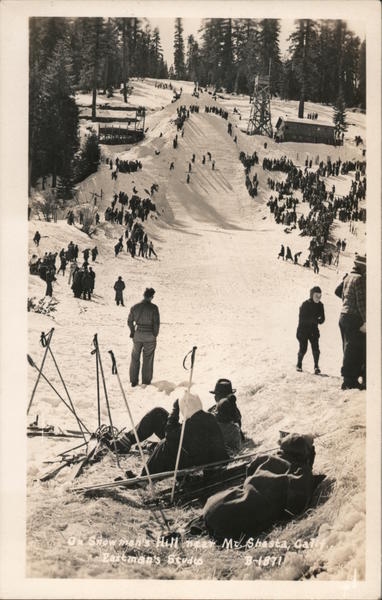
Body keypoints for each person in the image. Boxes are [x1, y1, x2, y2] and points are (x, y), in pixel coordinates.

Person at [203, 433, 316, 541]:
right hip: (233, 522)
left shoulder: (265, 457)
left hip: (214, 506)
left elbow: (249, 473)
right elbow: (298, 505)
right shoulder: (300, 471)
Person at [112, 391, 229, 475]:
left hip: (195, 461)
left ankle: (145, 478)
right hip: (196, 453)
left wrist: (174, 412)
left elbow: (170, 436)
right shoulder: (208, 417)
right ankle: (127, 441)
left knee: (164, 445)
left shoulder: (191, 425)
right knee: (158, 413)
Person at [335, 254, 366, 390]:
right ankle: (349, 380)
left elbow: (340, 293)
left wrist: (347, 304)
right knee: (354, 349)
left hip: (343, 316)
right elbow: (361, 303)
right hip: (353, 318)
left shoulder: (348, 277)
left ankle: (348, 378)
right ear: (362, 267)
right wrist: (367, 320)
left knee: (347, 348)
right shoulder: (359, 279)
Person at [127, 288, 160, 386]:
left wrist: (133, 331)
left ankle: (133, 380)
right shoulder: (154, 308)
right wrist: (154, 334)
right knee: (148, 359)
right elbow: (156, 323)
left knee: (135, 357)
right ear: (152, 297)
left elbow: (129, 321)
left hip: (138, 335)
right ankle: (146, 381)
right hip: (149, 336)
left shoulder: (135, 307)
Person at [296, 286, 325, 374]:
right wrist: (315, 320)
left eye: (320, 296)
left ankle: (316, 366)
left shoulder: (320, 305)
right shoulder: (305, 304)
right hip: (303, 330)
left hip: (313, 330)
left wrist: (320, 320)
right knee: (303, 348)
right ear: (312, 295)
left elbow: (323, 318)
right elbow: (302, 318)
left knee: (316, 349)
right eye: (316, 295)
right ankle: (299, 364)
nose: (318, 298)